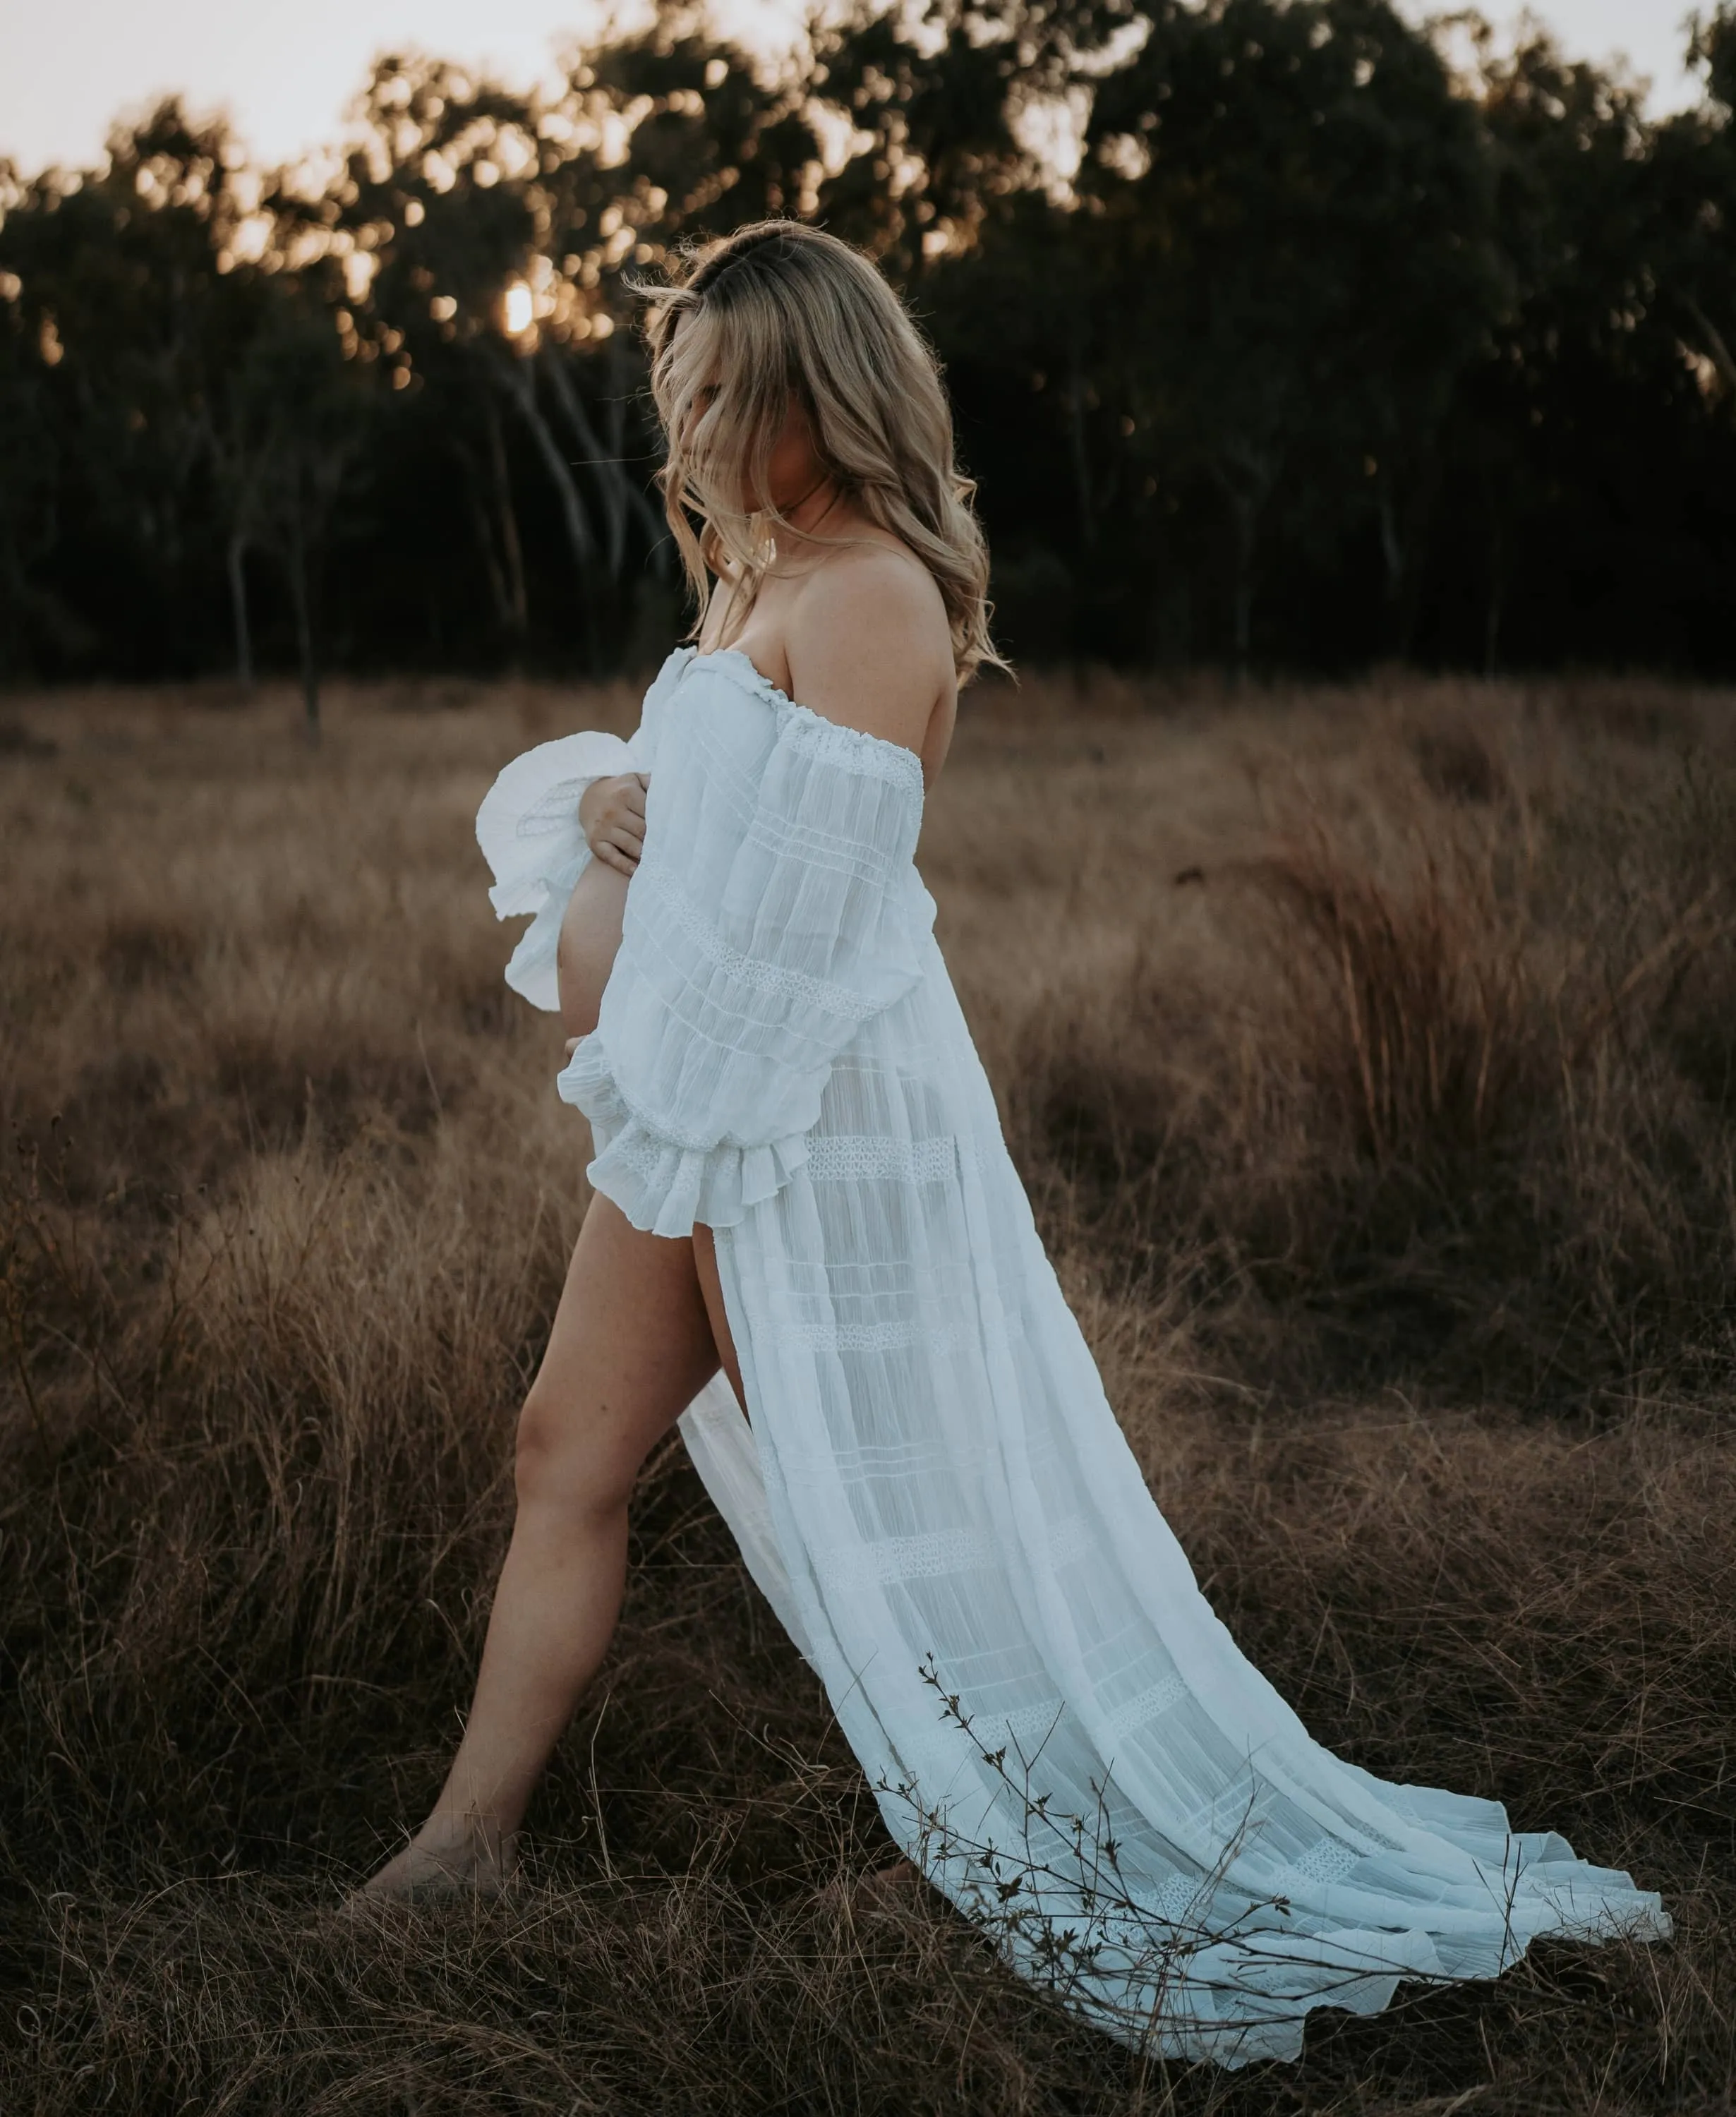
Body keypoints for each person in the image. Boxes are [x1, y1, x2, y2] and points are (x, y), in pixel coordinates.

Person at [360, 221, 1670, 2066]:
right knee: (561, 1444)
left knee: (890, 1517)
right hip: (694, 1117)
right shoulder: (753, 584)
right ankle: (460, 1852)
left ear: (820, 390)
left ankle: (993, 1837)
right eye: (676, 387)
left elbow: (814, 920)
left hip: (808, 1127)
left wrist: (672, 1048)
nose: (692, 417)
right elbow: (702, 861)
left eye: (724, 386)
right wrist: (610, 806)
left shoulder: (871, 592)